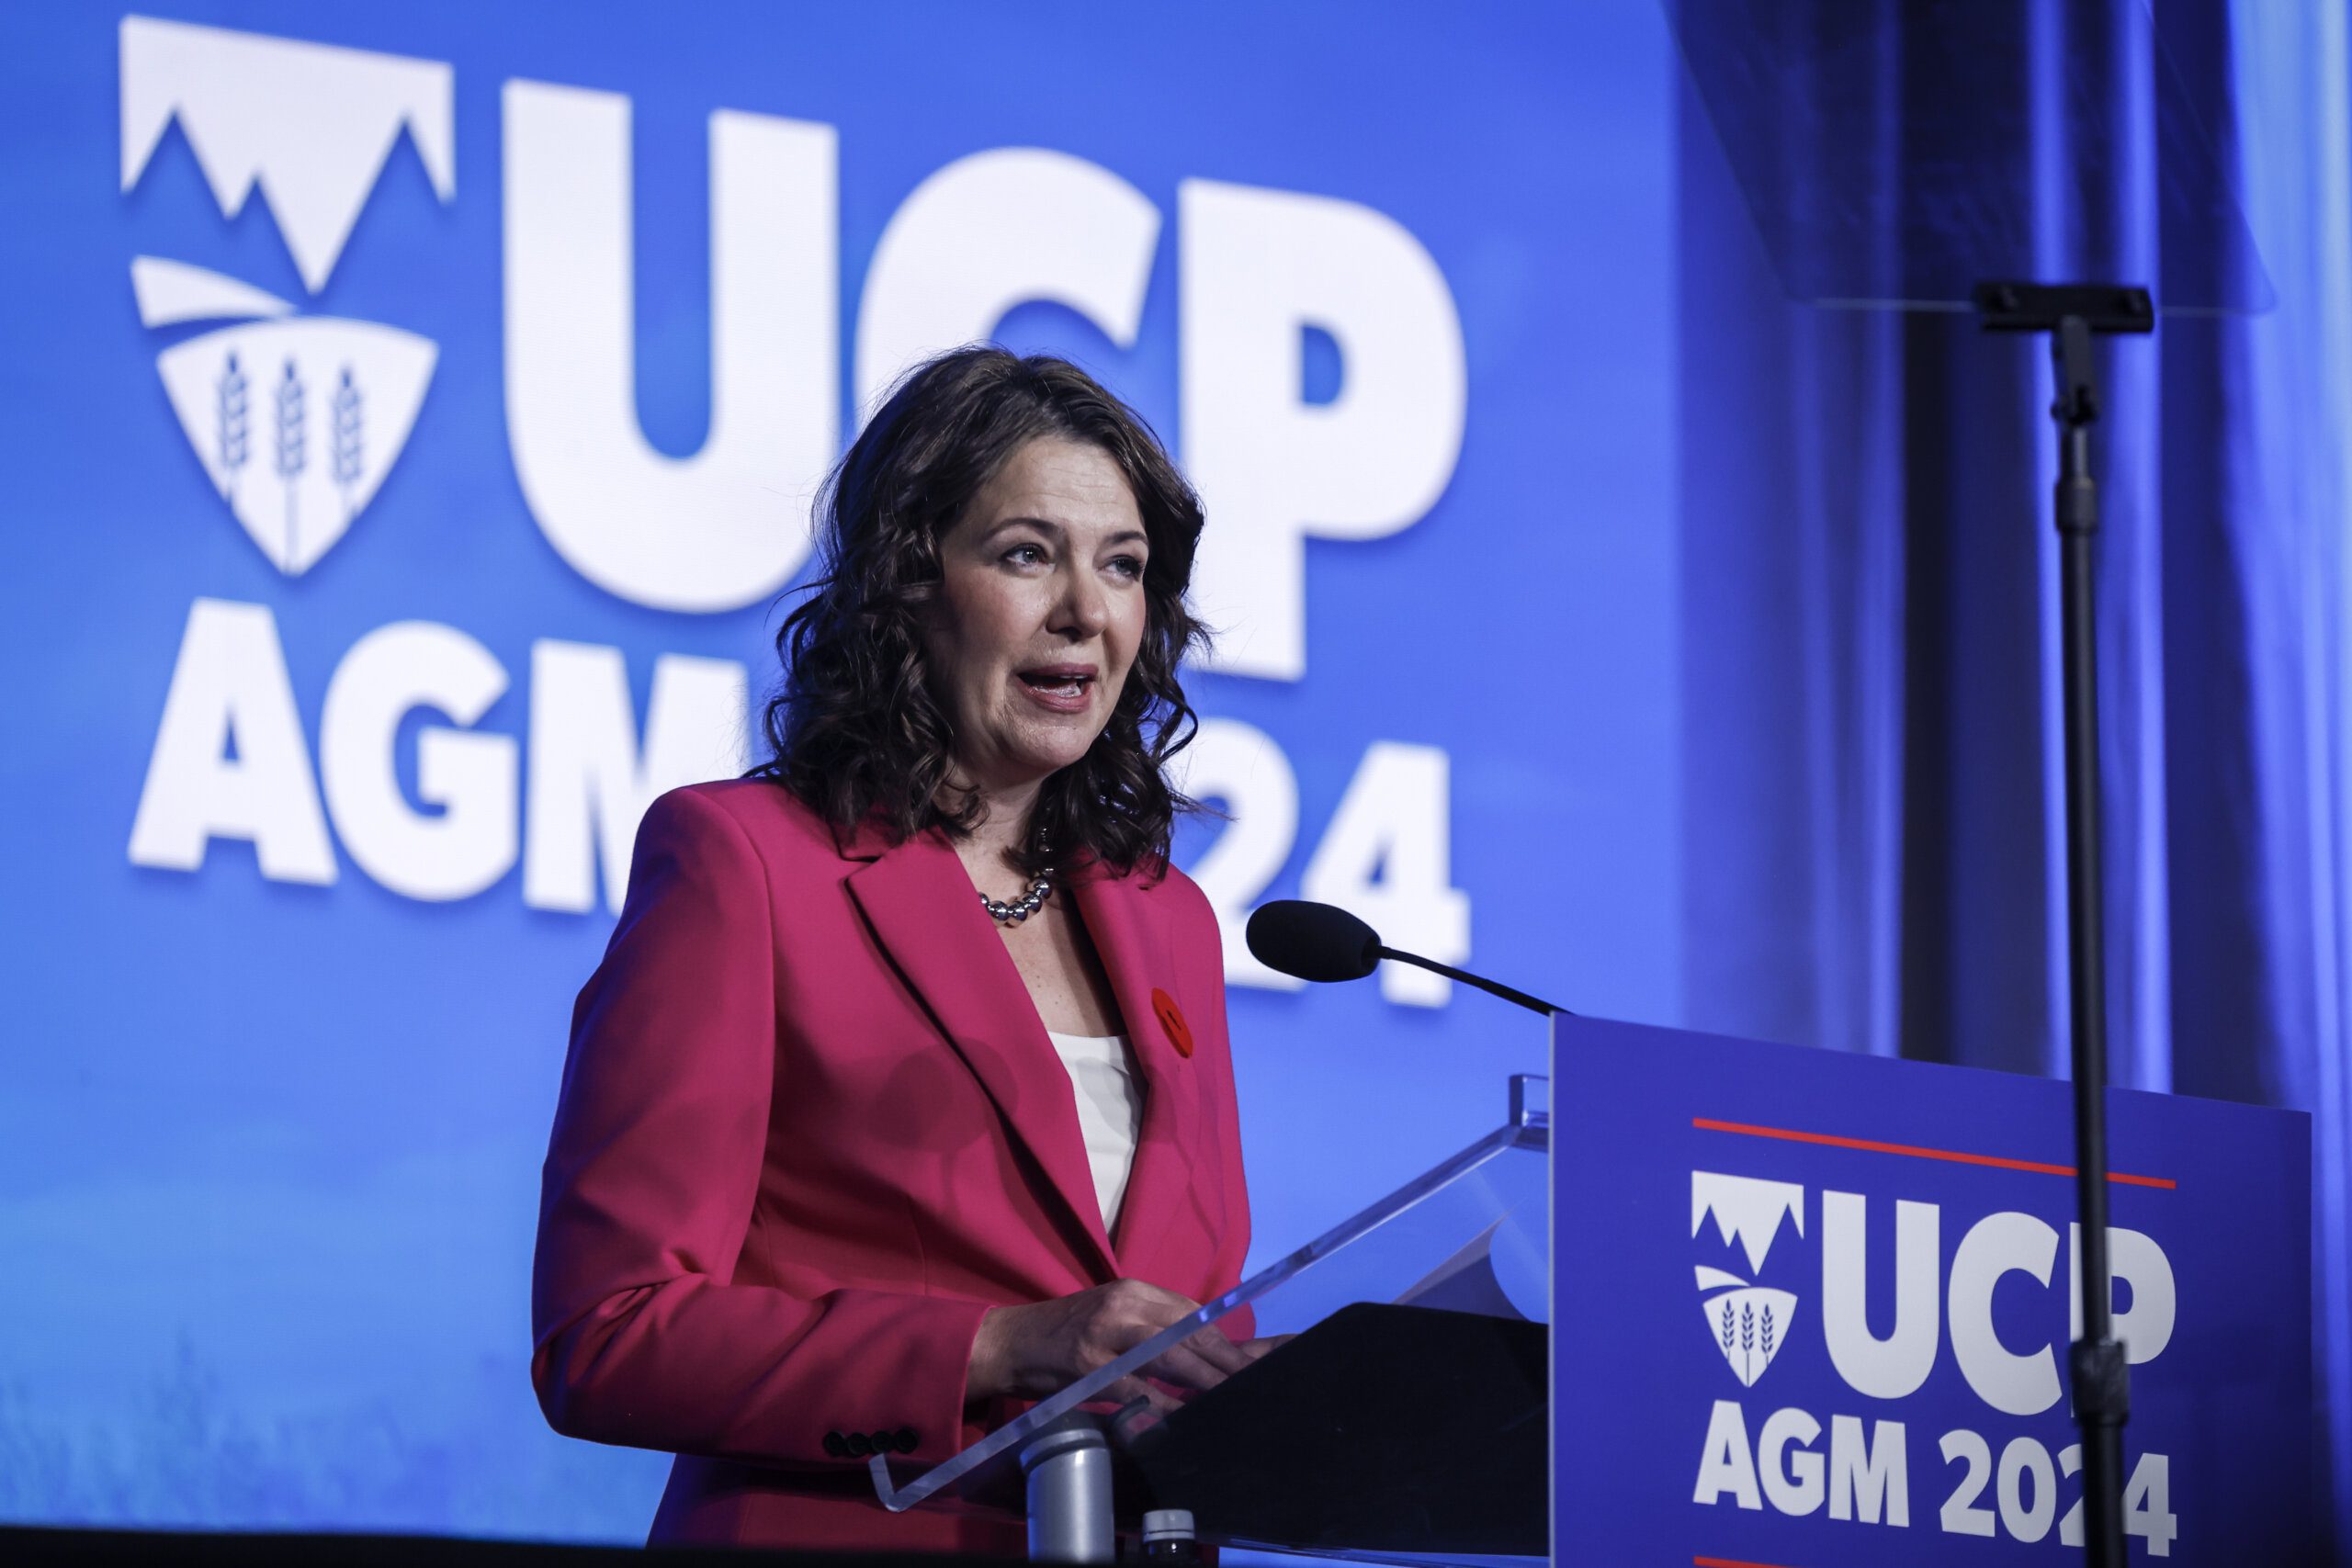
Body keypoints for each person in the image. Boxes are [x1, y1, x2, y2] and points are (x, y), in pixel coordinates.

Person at [529, 347, 1261, 1552]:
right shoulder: (746, 863)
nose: (1086, 609)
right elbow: (606, 1332)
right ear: (909, 585)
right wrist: (997, 1346)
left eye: (1122, 566)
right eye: (1028, 554)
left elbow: (1163, 1307)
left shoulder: (1167, 919)